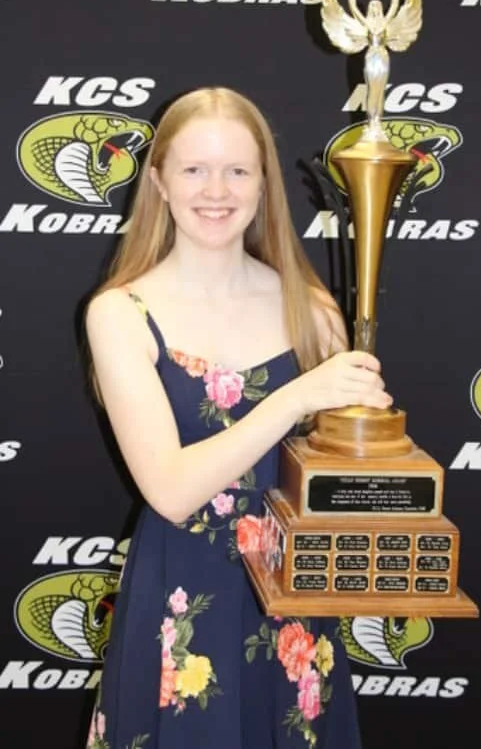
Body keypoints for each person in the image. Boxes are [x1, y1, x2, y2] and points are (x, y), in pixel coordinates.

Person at [85, 86, 392, 749]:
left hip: (295, 603)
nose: (216, 190)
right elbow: (171, 490)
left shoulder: (313, 312)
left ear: (263, 183)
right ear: (159, 181)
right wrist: (297, 396)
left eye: (237, 170)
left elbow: (335, 483)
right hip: (181, 598)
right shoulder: (120, 313)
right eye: (194, 168)